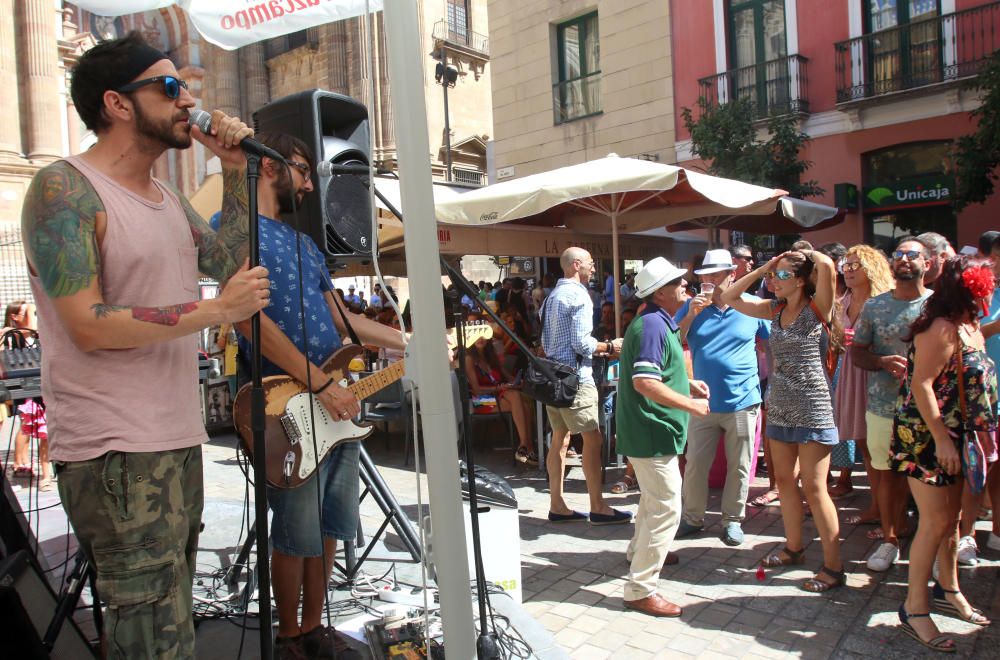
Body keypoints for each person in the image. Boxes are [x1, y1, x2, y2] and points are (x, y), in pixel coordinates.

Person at [21, 32, 270, 658]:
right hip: (115, 451)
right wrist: (215, 310)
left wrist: (237, 172)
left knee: (171, 623)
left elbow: (230, 260)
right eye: (170, 86)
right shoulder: (64, 190)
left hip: (176, 439)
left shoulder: (168, 199)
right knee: (150, 640)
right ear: (118, 103)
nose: (188, 100)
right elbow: (89, 322)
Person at [210, 131, 405, 659]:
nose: (310, 182)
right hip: (285, 405)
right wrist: (319, 383)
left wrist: (411, 342)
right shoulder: (238, 231)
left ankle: (315, 626)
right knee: (294, 529)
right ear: (271, 167)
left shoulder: (305, 244)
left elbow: (346, 321)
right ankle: (290, 635)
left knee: (329, 527)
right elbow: (251, 322)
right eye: (302, 169)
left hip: (333, 404)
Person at [721, 248, 845, 592]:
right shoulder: (773, 309)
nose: (774, 281)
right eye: (774, 276)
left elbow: (829, 269)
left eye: (783, 275)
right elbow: (729, 296)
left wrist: (805, 252)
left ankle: (834, 567)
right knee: (786, 484)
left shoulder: (818, 307)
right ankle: (794, 548)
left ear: (802, 280)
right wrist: (765, 267)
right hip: (778, 405)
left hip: (812, 406)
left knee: (815, 488)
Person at [893, 256, 996, 652]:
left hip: (955, 435)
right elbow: (921, 386)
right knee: (935, 523)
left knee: (951, 521)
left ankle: (948, 589)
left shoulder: (969, 326)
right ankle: (914, 609)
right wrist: (941, 439)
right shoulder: (941, 328)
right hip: (927, 437)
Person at [617, 257, 710, 617]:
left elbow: (657, 373)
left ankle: (636, 552)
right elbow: (644, 382)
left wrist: (685, 382)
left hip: (651, 430)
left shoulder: (656, 322)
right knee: (666, 508)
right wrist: (689, 403)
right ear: (661, 292)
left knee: (653, 501)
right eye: (678, 282)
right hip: (651, 430)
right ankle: (640, 587)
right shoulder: (654, 325)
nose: (685, 286)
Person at [676, 249, 769, 547]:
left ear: (733, 274)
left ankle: (732, 521)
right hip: (702, 404)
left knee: (739, 465)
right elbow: (672, 342)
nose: (711, 280)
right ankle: (692, 517)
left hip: (743, 402)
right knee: (695, 464)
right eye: (707, 275)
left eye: (717, 274)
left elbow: (774, 345)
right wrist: (691, 314)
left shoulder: (753, 306)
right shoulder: (692, 306)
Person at [852, 236, 932, 572]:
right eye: (899, 254)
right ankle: (890, 539)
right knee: (886, 476)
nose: (904, 259)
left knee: (930, 477)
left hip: (928, 410)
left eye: (913, 255)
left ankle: (935, 544)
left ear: (927, 264)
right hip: (884, 405)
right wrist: (883, 362)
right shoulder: (874, 306)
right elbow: (857, 352)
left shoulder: (938, 305)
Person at [541, 247, 630, 524]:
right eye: (591, 264)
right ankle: (598, 506)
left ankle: (557, 503)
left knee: (560, 438)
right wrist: (610, 346)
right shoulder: (579, 295)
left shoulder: (551, 296)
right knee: (593, 439)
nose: (593, 269)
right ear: (576, 265)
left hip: (553, 378)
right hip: (576, 378)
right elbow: (582, 343)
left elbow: (545, 343)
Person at [832, 245, 894, 511]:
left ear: (871, 268)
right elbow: (834, 343)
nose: (848, 271)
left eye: (854, 266)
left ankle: (887, 509)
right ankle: (878, 506)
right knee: (864, 444)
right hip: (850, 374)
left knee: (880, 447)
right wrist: (838, 340)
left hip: (875, 377)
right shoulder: (841, 303)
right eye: (845, 266)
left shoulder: (882, 302)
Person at [465, 336, 537, 464]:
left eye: (484, 334)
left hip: (496, 396)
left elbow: (508, 378)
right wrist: (498, 388)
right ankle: (526, 447)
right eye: (477, 335)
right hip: (479, 401)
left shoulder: (491, 357)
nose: (480, 338)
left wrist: (517, 382)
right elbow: (476, 390)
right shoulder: (469, 359)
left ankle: (525, 448)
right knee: (519, 401)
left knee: (521, 401)